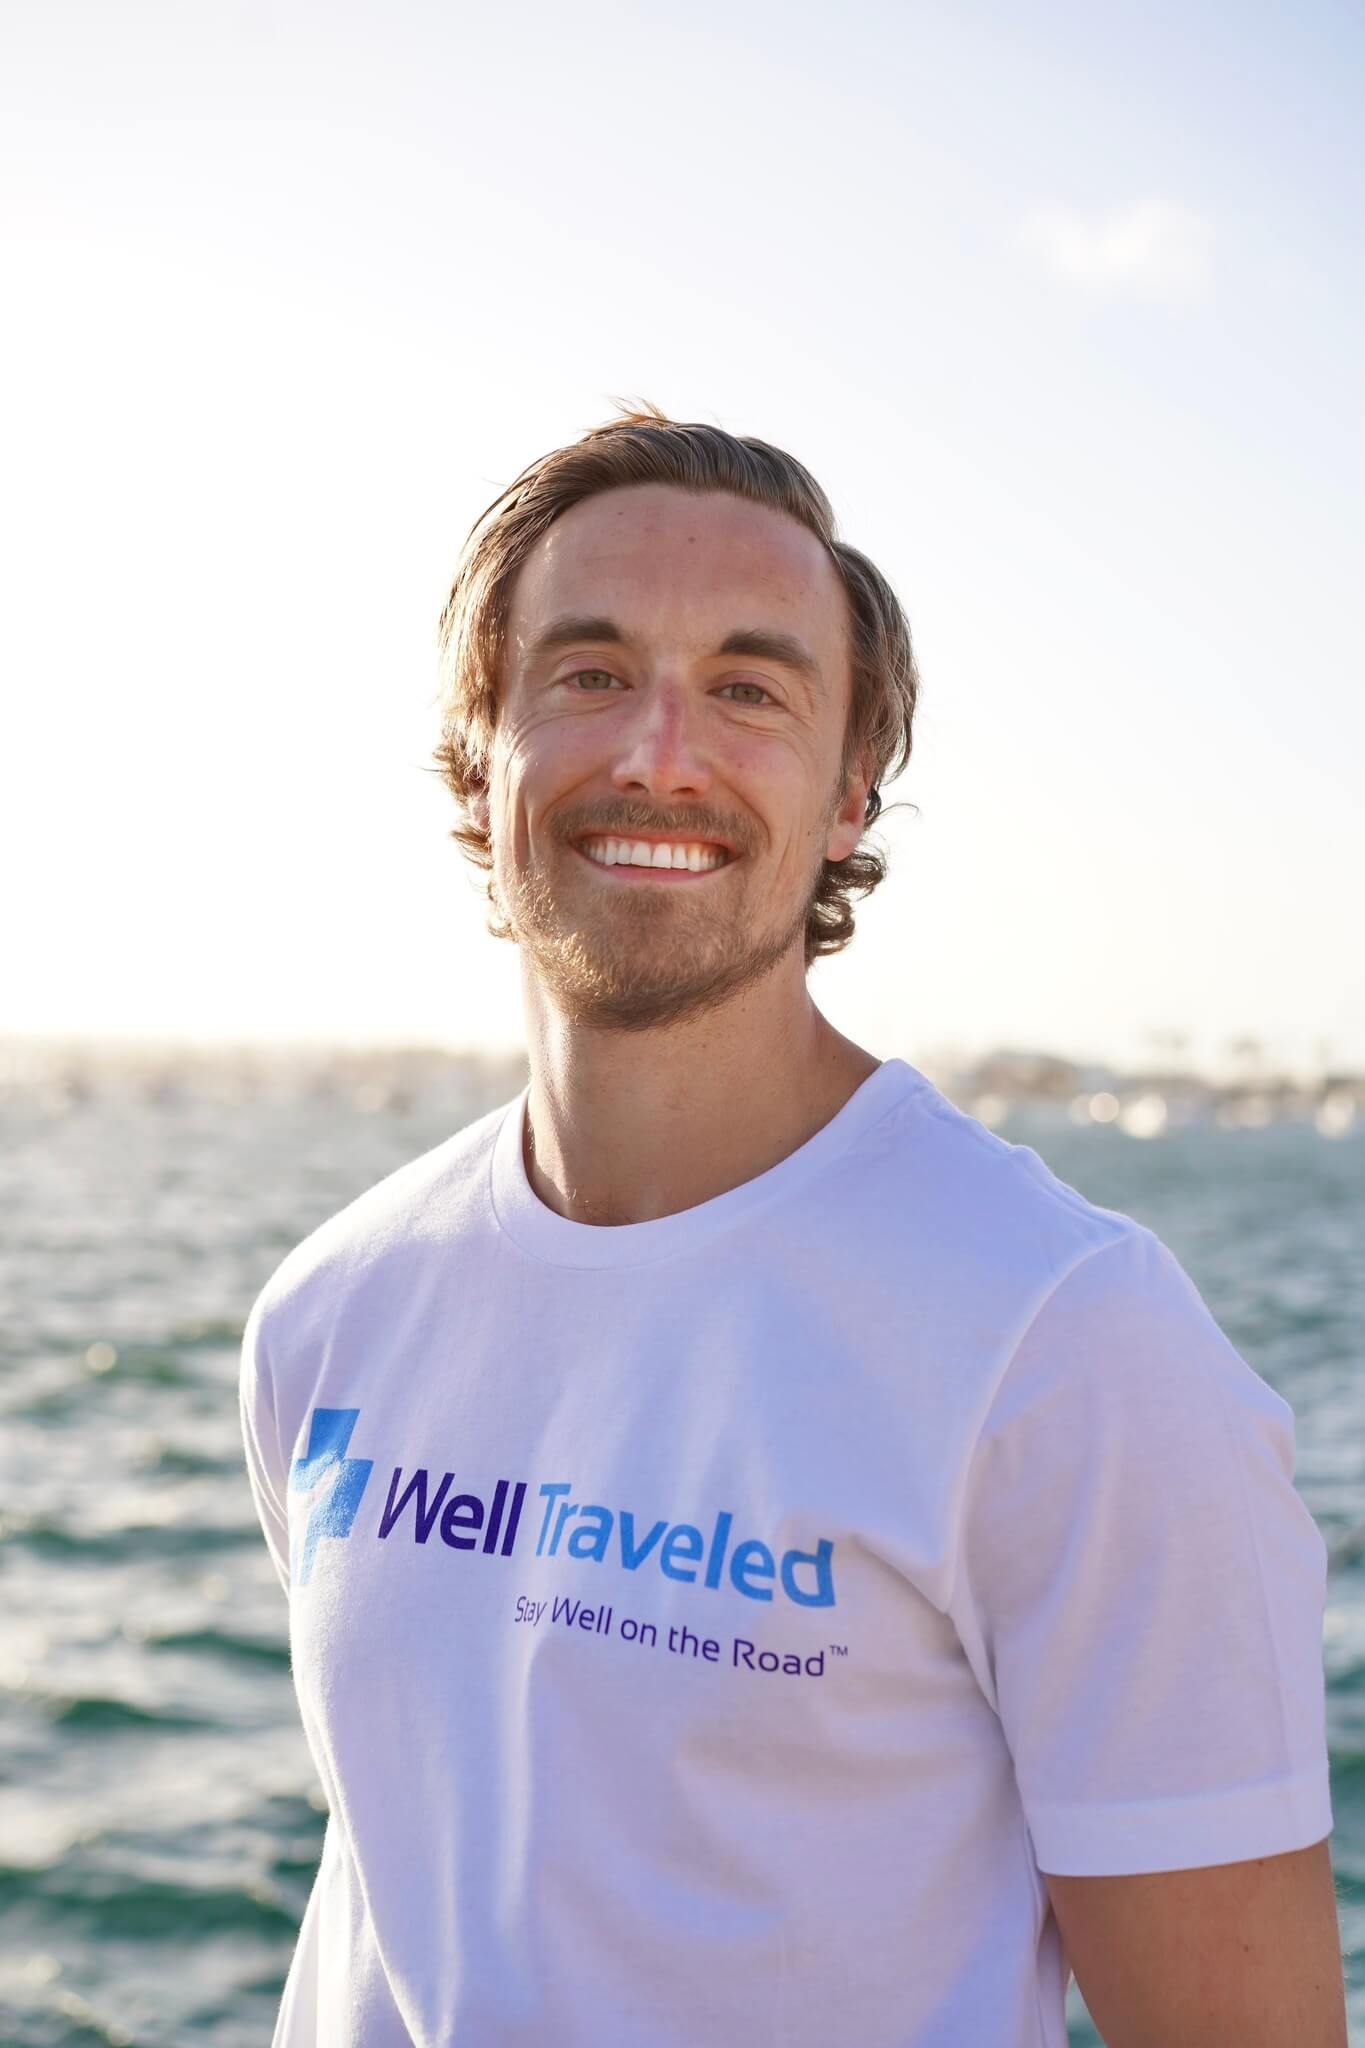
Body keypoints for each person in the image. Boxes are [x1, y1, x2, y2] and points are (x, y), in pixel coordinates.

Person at [239, 404, 1345, 2047]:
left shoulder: (1066, 1348)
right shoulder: (331, 1314)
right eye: (589, 672)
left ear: (846, 796)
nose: (657, 753)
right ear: (482, 750)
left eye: (749, 690)